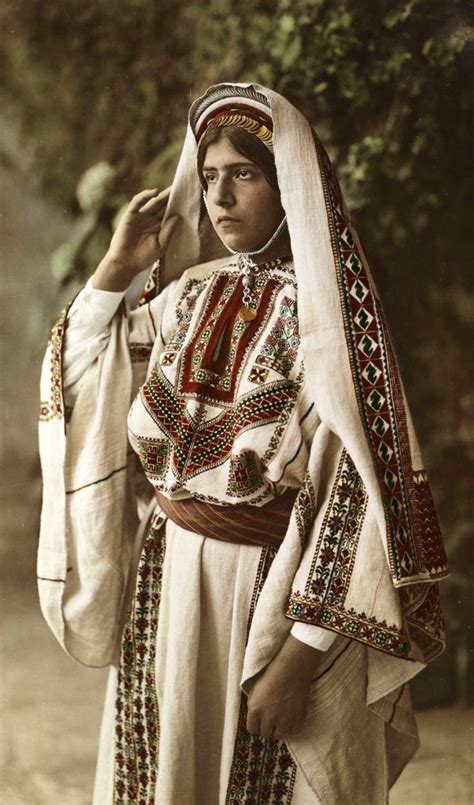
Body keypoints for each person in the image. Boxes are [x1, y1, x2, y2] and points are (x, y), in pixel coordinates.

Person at [38, 83, 449, 805]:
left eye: (245, 174)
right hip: (163, 585)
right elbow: (80, 380)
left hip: (268, 598)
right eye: (209, 177)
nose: (221, 195)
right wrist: (114, 270)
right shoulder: (185, 296)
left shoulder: (332, 324)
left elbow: (360, 498)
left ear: (287, 182)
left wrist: (299, 658)